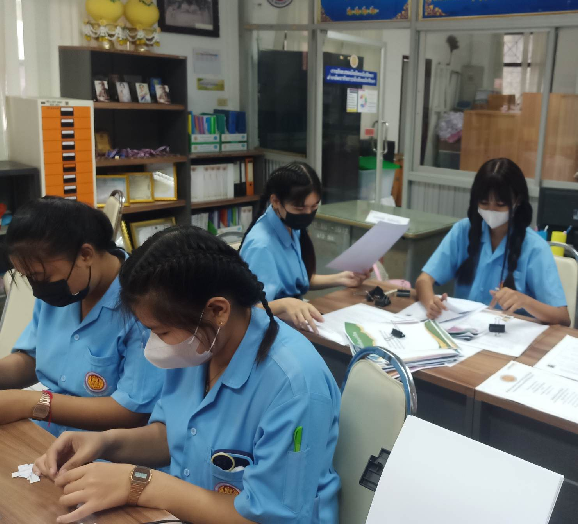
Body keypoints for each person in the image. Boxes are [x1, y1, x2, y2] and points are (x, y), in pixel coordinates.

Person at [33, 227, 341, 524]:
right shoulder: (200, 346)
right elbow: (173, 436)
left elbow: (268, 516)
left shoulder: (293, 384)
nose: (156, 345)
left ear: (218, 310)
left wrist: (139, 483)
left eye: (162, 332)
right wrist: (105, 443)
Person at [0, 197, 163, 436]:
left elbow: (131, 411)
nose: (38, 288)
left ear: (85, 254)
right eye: (29, 277)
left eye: (41, 276)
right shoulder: (62, 290)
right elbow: (32, 359)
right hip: (45, 432)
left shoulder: (144, 305)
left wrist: (30, 403)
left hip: (104, 448)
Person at [416, 158, 570, 325]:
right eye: (484, 203)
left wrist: (525, 301)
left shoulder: (535, 248)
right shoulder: (463, 231)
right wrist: (431, 303)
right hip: (462, 329)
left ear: (517, 200)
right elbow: (424, 280)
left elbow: (562, 317)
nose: (491, 210)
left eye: (500, 204)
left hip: (509, 335)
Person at [239, 162, 367, 332]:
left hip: (290, 322)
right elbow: (248, 311)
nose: (307, 214)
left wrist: (340, 278)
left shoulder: (290, 225)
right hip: (268, 331)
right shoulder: (261, 246)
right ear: (276, 201)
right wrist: (285, 304)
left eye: (314, 206)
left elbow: (295, 281)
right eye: (299, 208)